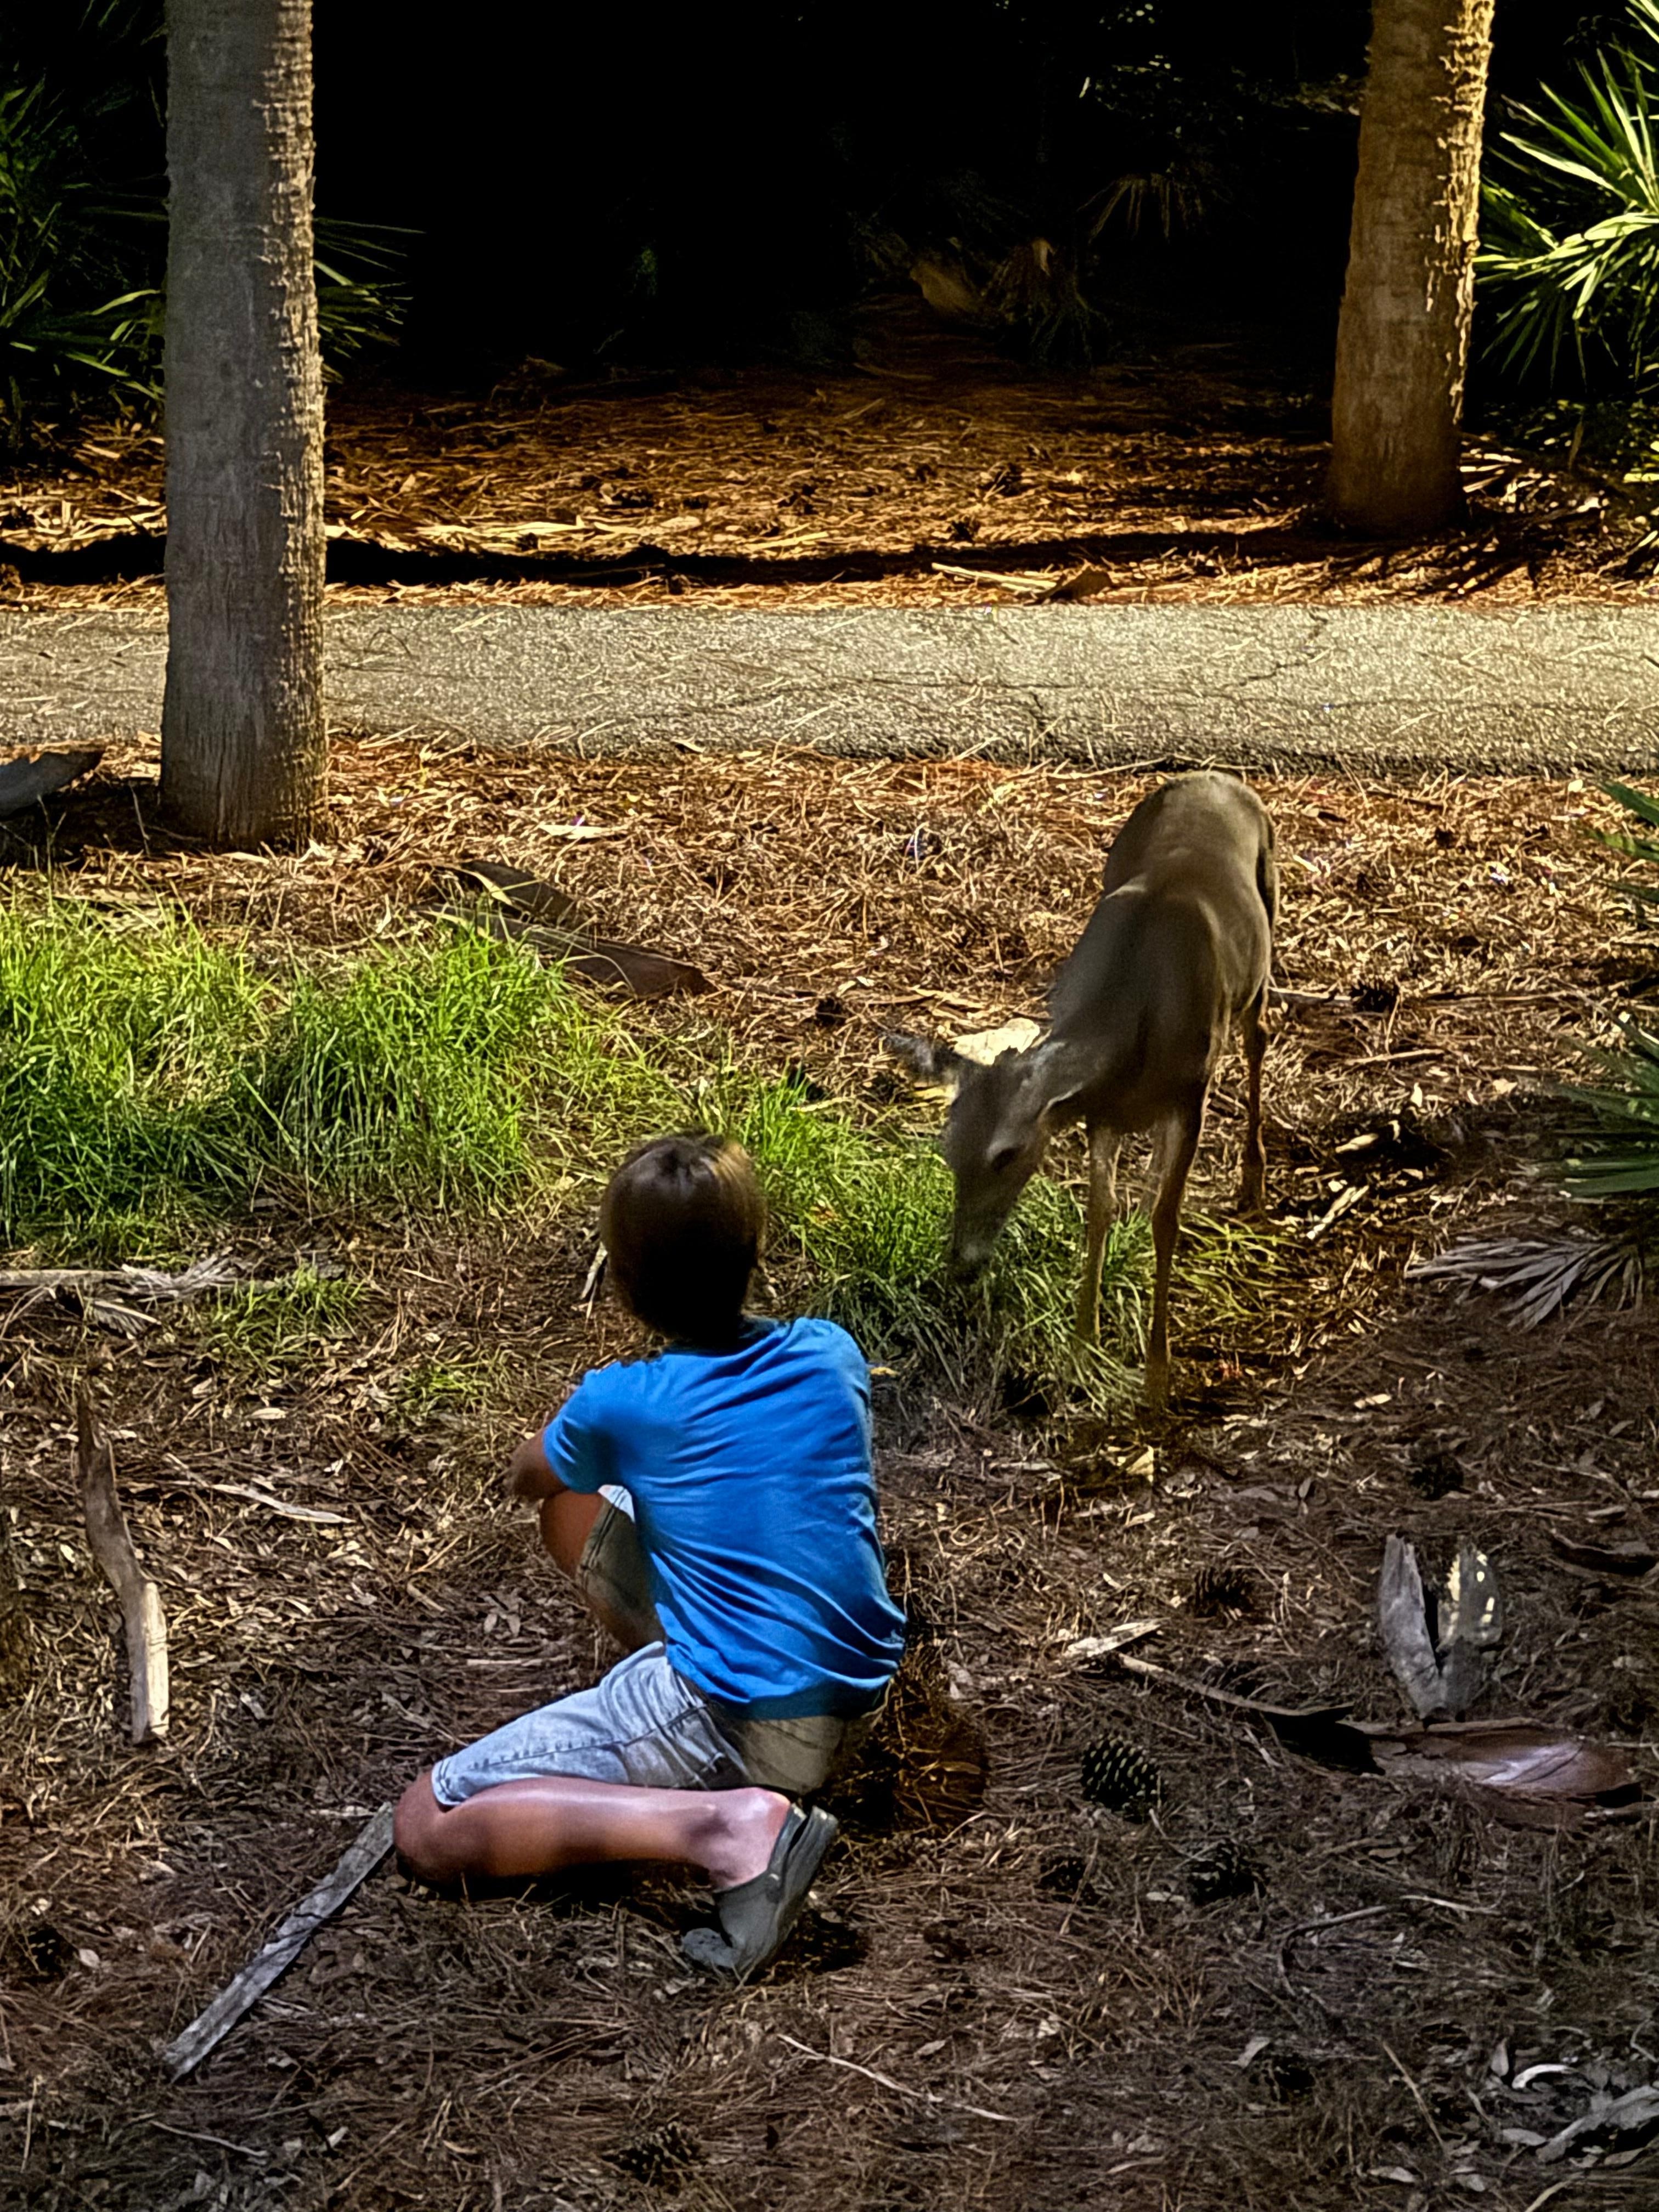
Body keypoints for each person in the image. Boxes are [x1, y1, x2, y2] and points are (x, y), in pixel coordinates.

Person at [394, 1132, 906, 1979]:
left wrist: (590, 1421)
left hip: (743, 1723)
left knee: (429, 1820)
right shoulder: (831, 1352)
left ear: (625, 1282)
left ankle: (727, 1828)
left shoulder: (624, 1402)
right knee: (605, 1502)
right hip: (855, 1700)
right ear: (757, 1250)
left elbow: (528, 1476)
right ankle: (714, 1755)